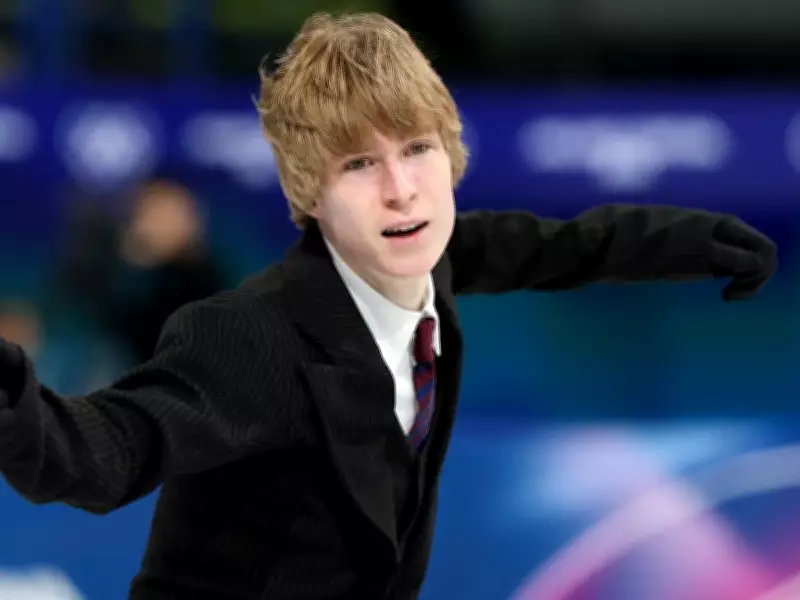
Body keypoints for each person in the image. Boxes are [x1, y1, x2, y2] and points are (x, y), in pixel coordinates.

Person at [0, 11, 777, 600]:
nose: (401, 189)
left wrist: (701, 241)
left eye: (417, 150)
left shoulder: (433, 259)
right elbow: (105, 453)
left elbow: (569, 245)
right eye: (360, 164)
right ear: (310, 193)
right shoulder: (251, 336)